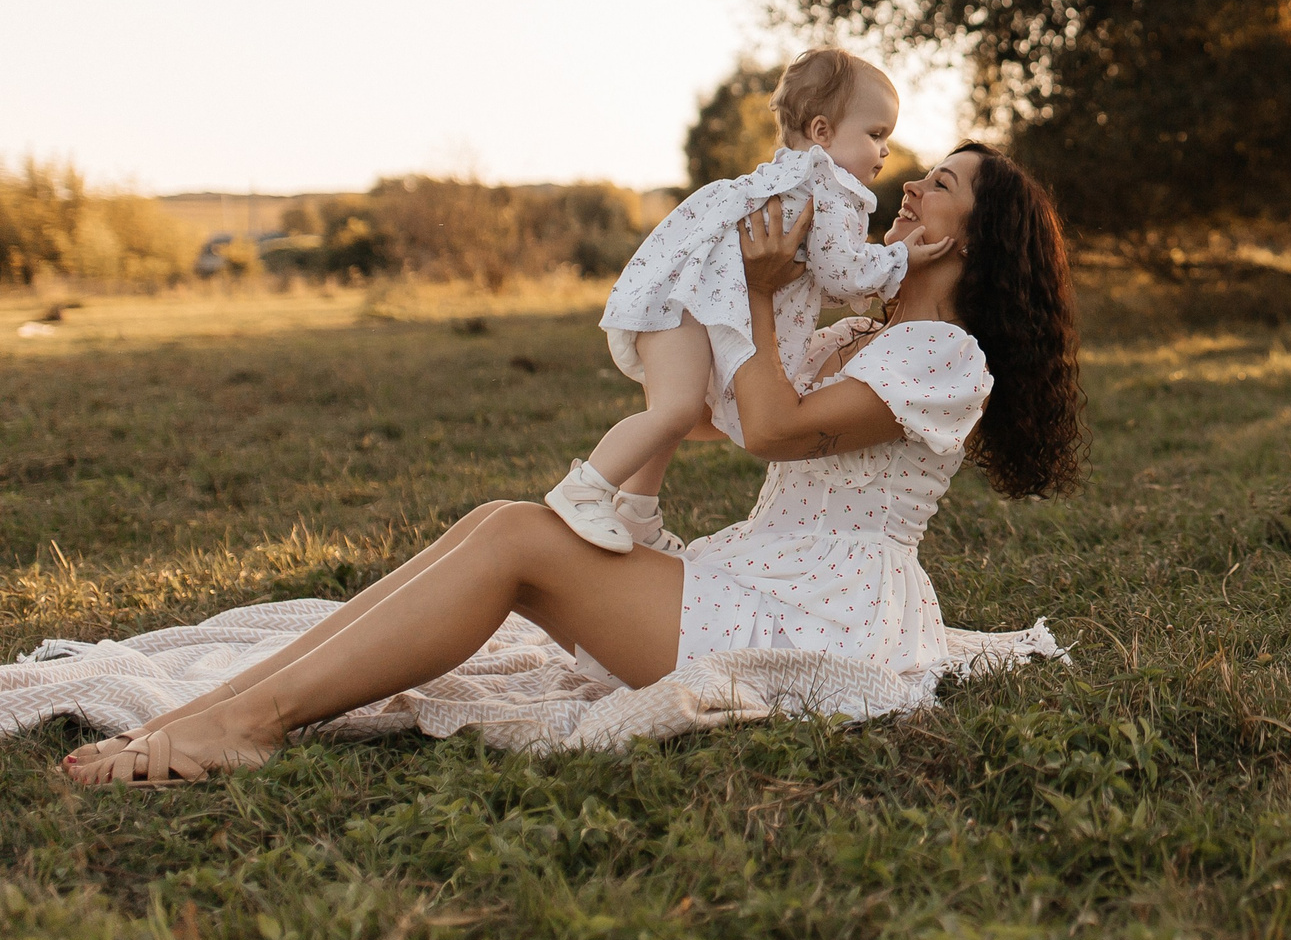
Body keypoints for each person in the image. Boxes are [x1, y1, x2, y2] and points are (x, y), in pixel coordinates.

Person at [66, 144, 1084, 787]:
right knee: (500, 520)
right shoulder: (858, 337)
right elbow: (727, 418)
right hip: (755, 577)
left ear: (975, 241)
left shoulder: (945, 359)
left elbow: (774, 429)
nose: (911, 181)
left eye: (941, 183)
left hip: (821, 617)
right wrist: (711, 278)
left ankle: (248, 722)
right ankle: (213, 713)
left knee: (515, 537)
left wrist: (771, 291)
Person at [547, 47, 940, 554]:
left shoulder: (792, 177)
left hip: (688, 299)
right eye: (876, 134)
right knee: (675, 408)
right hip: (690, 304)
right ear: (822, 133)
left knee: (679, 412)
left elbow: (816, 274)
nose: (884, 151)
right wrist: (899, 261)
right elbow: (841, 273)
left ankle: (637, 511)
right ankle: (586, 489)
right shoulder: (828, 191)